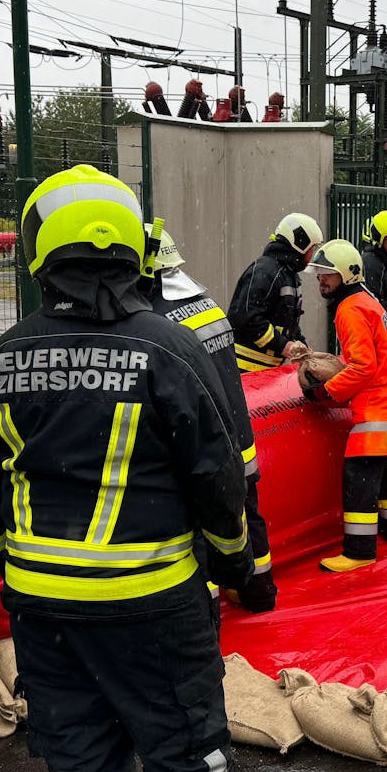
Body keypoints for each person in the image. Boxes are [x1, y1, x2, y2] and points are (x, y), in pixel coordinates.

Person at [0, 166, 251, 772]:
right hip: (155, 606)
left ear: (42, 256)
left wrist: (11, 561)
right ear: (132, 252)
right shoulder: (169, 351)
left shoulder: (0, 360)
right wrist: (233, 560)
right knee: (185, 755)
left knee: (80, 762)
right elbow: (218, 480)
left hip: (46, 613)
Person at [146, 228, 276, 613]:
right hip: (240, 438)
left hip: (207, 448)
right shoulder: (204, 303)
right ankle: (260, 592)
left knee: (199, 535)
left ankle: (206, 614)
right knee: (247, 517)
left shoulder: (161, 320)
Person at [302, 240, 387, 572]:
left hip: (380, 397)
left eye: (327, 275)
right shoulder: (365, 300)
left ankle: (359, 550)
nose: (321, 280)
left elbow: (363, 367)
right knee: (385, 463)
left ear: (345, 277)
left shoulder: (349, 309)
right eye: (319, 274)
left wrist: (327, 392)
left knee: (359, 471)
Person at [228, 213, 322, 372]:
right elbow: (245, 318)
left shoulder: (287, 274)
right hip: (244, 370)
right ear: (301, 244)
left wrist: (303, 347)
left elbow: (286, 322)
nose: (313, 255)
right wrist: (284, 346)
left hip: (263, 370)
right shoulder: (266, 271)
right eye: (312, 248)